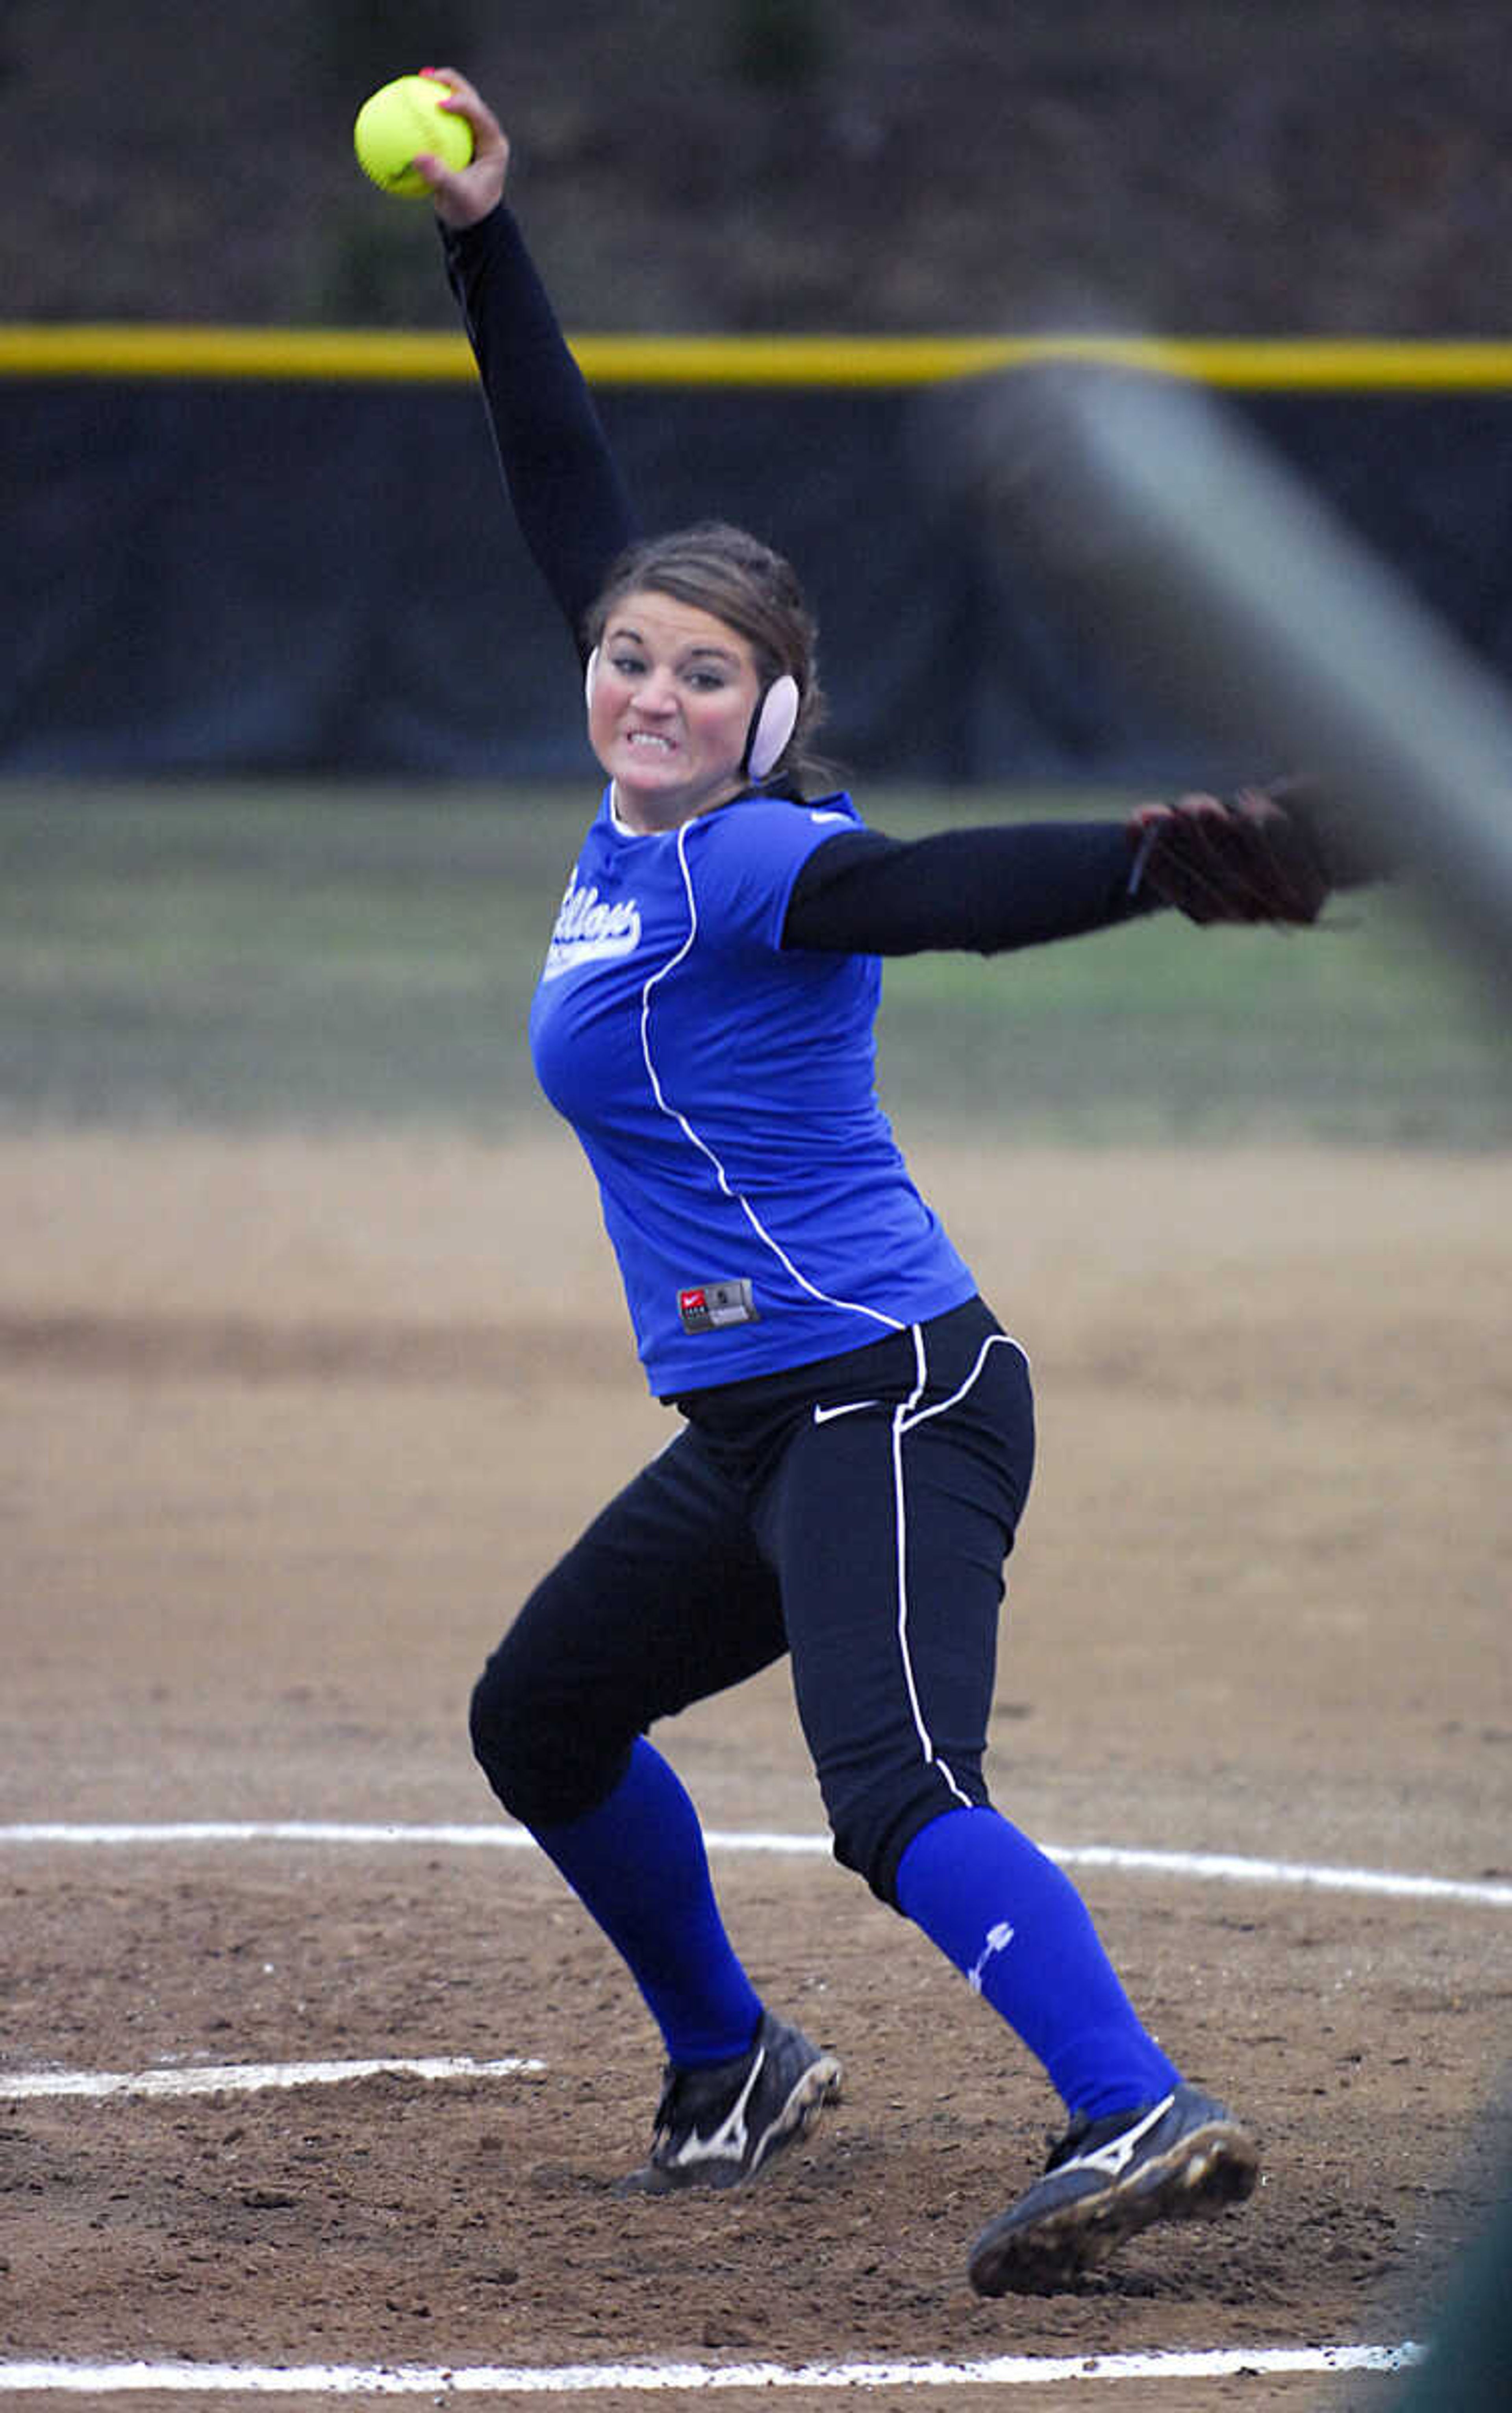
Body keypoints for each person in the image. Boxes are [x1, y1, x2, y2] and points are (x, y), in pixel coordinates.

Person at [404, 66, 1332, 2299]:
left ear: (771, 708)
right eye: (630, 654)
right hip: (761, 1415)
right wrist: (480, 243)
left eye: (701, 671)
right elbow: (568, 485)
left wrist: (1144, 865)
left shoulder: (751, 859)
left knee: (892, 1784)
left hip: (892, 1390)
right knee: (542, 1715)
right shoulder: (632, 828)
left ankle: (1136, 2108)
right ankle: (730, 2057)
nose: (645, 685)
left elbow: (934, 894)